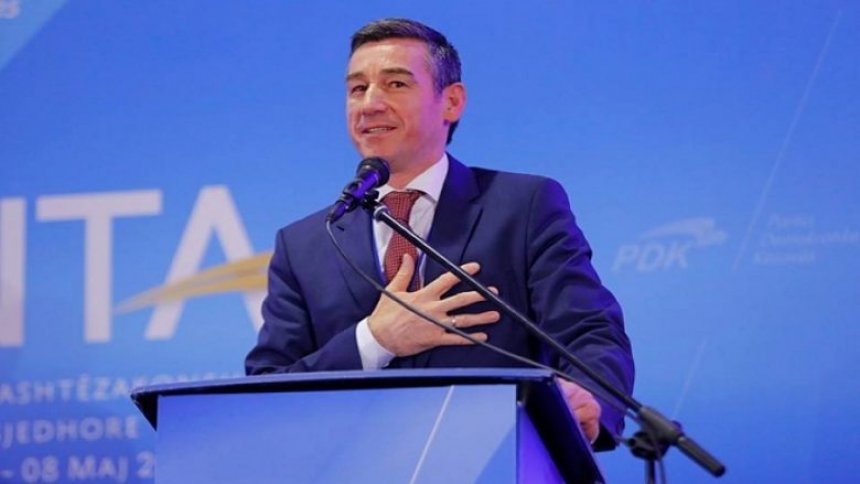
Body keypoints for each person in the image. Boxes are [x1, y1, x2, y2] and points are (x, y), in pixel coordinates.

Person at [245, 18, 634, 450]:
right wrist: (375, 339)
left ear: (451, 101)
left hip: (495, 458)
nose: (369, 103)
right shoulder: (304, 244)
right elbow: (266, 390)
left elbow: (590, 333)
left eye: (395, 84)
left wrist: (588, 399)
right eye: (357, 88)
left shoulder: (522, 206)